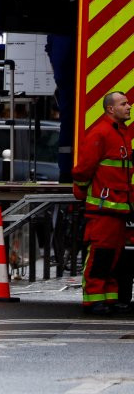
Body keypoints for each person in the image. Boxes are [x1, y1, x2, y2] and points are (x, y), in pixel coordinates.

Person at [72, 90, 133, 315]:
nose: (129, 107)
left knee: (113, 257)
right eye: (124, 104)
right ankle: (93, 300)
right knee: (100, 255)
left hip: (117, 209)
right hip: (103, 209)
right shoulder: (101, 133)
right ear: (110, 109)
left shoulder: (121, 133)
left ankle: (108, 298)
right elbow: (83, 169)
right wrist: (82, 191)